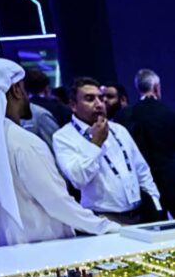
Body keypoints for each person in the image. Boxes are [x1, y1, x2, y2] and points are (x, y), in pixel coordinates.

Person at [0, 59, 117, 247]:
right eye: (23, 88)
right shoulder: (24, 143)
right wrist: (106, 227)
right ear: (16, 90)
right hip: (45, 251)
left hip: (2, 254)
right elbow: (58, 203)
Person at [53, 77, 163, 225]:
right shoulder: (64, 137)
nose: (99, 104)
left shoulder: (118, 129)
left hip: (141, 213)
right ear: (73, 105)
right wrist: (96, 144)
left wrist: (155, 204)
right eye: (90, 99)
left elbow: (142, 170)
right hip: (104, 219)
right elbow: (78, 179)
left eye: (101, 98)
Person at [121, 68, 175, 219]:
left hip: (147, 186)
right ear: (156, 87)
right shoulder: (173, 113)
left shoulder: (127, 115)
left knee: (157, 228)